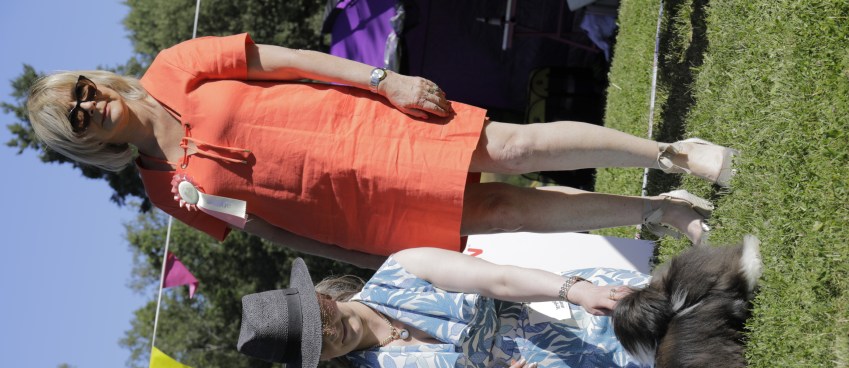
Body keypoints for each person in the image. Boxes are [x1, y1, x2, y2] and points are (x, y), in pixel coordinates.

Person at [28, 33, 737, 268]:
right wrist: (367, 259)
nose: (90, 104)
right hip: (355, 213)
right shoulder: (162, 189)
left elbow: (289, 61)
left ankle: (671, 154)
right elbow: (267, 228)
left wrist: (383, 80)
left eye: (82, 91)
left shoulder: (175, 66)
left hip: (365, 127)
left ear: (93, 79)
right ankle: (664, 213)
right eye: (77, 118)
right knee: (505, 212)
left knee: (513, 147)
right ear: (83, 145)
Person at [236, 249, 652, 368]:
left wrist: (577, 291)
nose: (332, 336)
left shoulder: (403, 268)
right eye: (316, 346)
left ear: (320, 296)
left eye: (320, 321)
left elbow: (501, 279)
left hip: (571, 318)